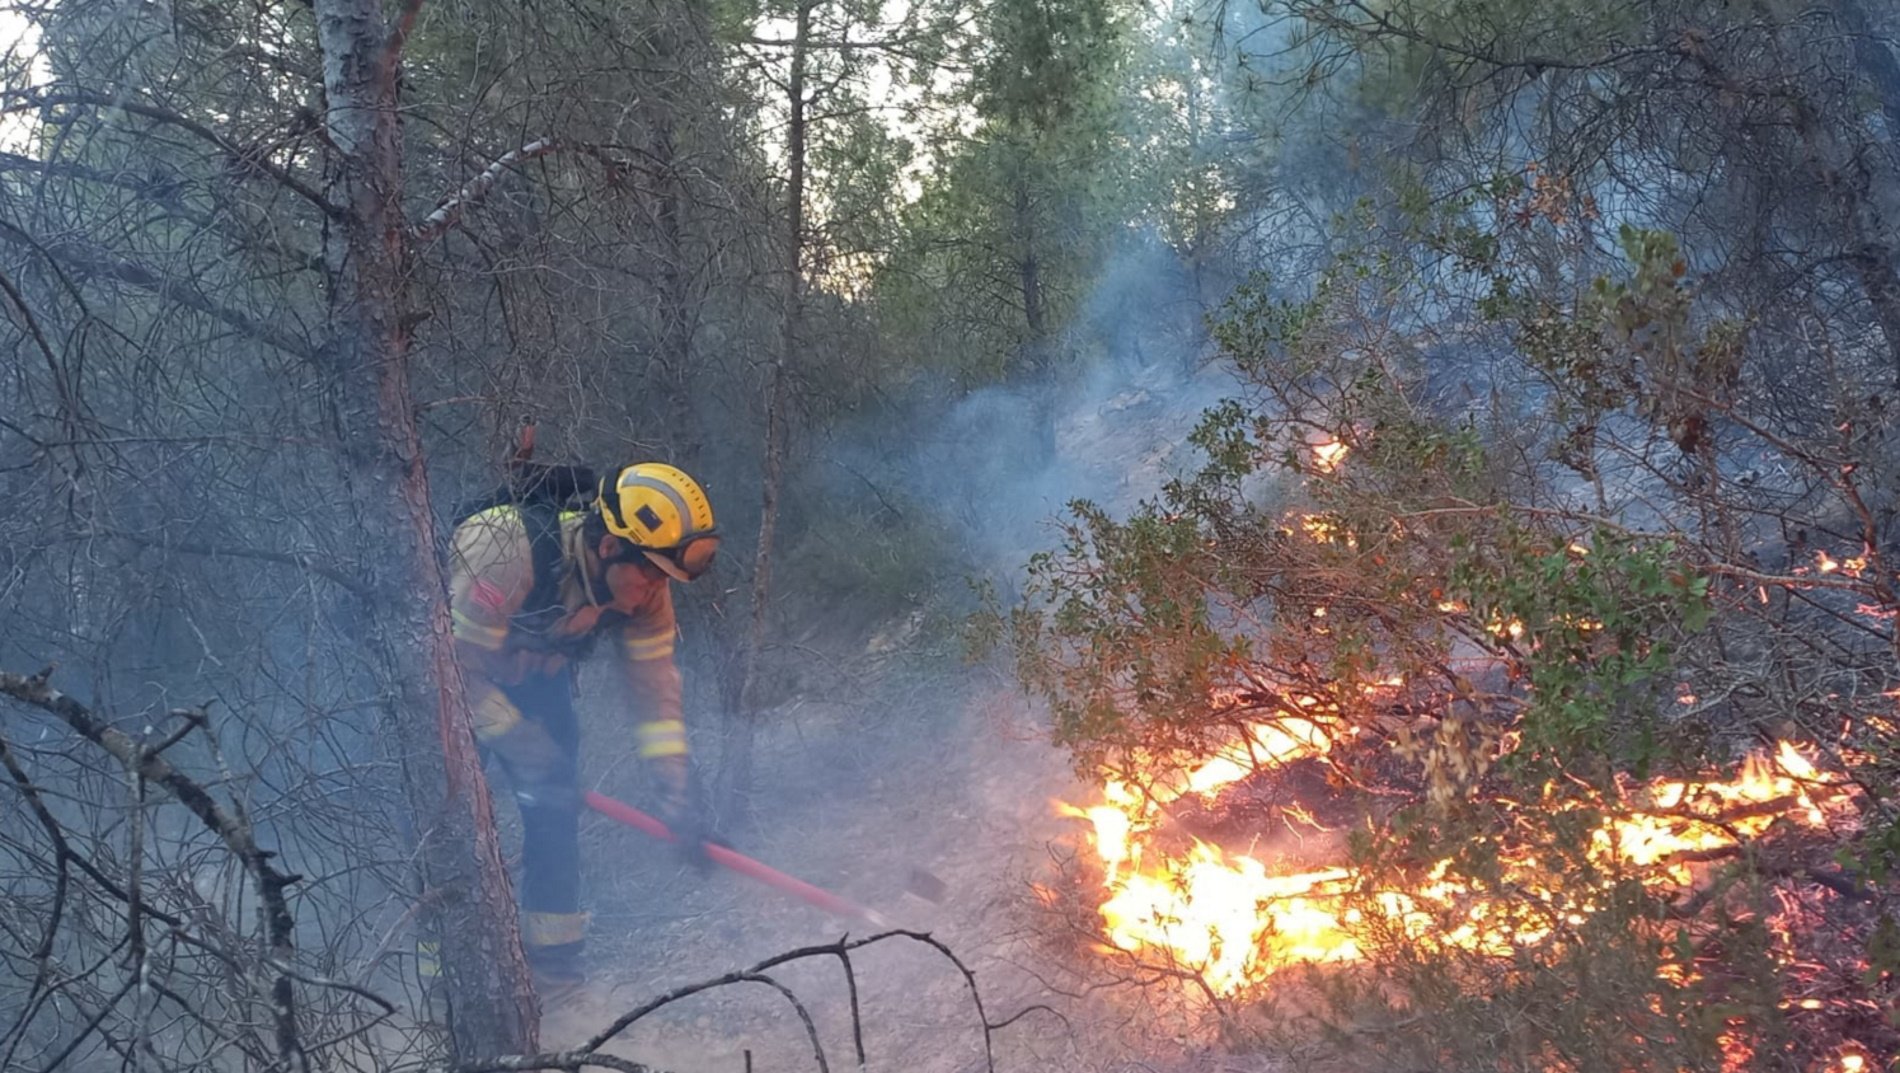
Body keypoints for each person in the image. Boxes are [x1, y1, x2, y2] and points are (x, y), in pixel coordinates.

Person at [445, 461, 719, 997]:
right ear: (610, 546)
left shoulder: (642, 587)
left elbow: (655, 691)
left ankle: (554, 972)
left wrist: (676, 790)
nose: (653, 591)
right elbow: (451, 671)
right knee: (451, 821)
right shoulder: (503, 549)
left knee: (555, 802)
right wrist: (518, 737)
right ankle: (449, 984)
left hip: (524, 673)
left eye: (665, 576)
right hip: (440, 677)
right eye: (651, 572)